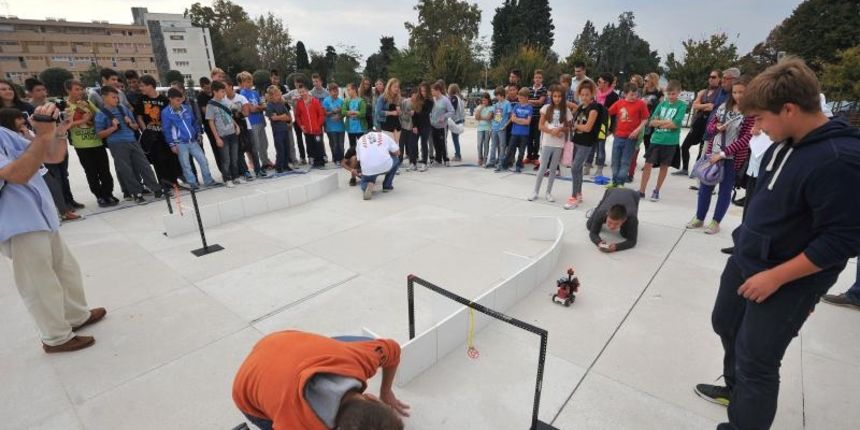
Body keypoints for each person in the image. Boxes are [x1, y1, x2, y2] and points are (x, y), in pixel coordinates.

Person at [694, 57, 860, 430]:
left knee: (758, 359)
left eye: (762, 119)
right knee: (725, 323)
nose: (759, 128)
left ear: (789, 109)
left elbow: (841, 241)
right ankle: (736, 392)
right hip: (748, 257)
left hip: (785, 277)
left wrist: (777, 279)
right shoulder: (783, 143)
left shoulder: (839, 160)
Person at [0, 102, 107, 353]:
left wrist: (58, 132)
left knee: (65, 269)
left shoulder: (7, 135)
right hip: (18, 221)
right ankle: (56, 337)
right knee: (39, 282)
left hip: (41, 216)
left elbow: (51, 157)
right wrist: (44, 134)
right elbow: (17, 174)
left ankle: (75, 316)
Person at [232, 330, 409, 430]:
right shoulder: (295, 424)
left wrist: (386, 391)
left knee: (365, 343)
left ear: (370, 397)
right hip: (246, 389)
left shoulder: (360, 358)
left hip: (280, 342)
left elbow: (392, 349)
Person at [686, 76, 753, 235]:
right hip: (712, 153)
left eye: (742, 92)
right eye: (735, 92)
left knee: (725, 190)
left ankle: (716, 222)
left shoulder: (750, 113)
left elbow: (745, 139)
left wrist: (724, 153)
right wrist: (715, 128)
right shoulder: (723, 107)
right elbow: (709, 128)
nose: (738, 95)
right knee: (705, 186)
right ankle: (699, 217)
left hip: (732, 158)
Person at [95, 86, 160, 204]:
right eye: (113, 97)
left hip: (132, 140)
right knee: (126, 169)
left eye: (117, 97)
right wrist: (113, 128)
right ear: (104, 98)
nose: (116, 99)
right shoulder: (101, 114)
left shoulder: (123, 109)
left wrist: (130, 123)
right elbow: (99, 134)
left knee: (144, 165)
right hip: (116, 143)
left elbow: (136, 126)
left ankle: (156, 188)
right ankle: (136, 193)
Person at [27, 78, 82, 211]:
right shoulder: (29, 109)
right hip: (44, 147)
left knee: (64, 174)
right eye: (38, 90)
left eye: (44, 89)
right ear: (29, 93)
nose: (43, 93)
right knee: (54, 175)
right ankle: (62, 205)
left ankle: (69, 200)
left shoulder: (52, 105)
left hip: (59, 141)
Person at [64, 79, 117, 207]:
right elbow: (65, 125)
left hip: (97, 141)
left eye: (81, 89)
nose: (80, 92)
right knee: (91, 172)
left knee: (105, 170)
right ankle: (99, 196)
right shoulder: (65, 106)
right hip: (82, 145)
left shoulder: (87, 102)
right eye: (77, 89)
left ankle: (108, 193)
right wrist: (82, 120)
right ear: (68, 90)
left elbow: (100, 114)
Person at [638, 80, 686, 202]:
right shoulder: (662, 104)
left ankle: (656, 190)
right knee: (648, 164)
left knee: (664, 167)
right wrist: (665, 123)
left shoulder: (682, 105)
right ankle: (641, 191)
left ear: (679, 93)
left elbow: (676, 124)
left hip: (670, 141)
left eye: (673, 94)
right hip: (656, 139)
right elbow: (652, 121)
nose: (671, 97)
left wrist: (661, 123)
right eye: (668, 94)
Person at [161, 88, 215, 189]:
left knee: (203, 160)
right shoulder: (166, 113)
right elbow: (166, 130)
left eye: (181, 100)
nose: (180, 102)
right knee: (186, 165)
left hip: (193, 141)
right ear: (170, 99)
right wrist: (172, 144)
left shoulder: (187, 108)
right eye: (177, 100)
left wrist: (198, 133)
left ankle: (208, 180)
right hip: (180, 143)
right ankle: (192, 183)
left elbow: (194, 122)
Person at [136, 74, 181, 191]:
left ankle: (174, 182)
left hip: (164, 135)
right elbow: (139, 116)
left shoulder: (164, 100)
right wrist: (145, 130)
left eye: (142, 86)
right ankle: (164, 184)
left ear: (150, 86)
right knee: (158, 160)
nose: (141, 88)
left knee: (170, 158)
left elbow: (170, 117)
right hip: (151, 136)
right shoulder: (141, 99)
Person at [529, 85, 571, 202]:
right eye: (555, 96)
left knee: (553, 169)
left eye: (559, 96)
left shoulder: (566, 110)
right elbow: (540, 126)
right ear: (551, 97)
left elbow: (568, 127)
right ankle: (535, 191)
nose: (557, 99)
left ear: (563, 97)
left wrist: (560, 130)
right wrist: (552, 131)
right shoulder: (546, 108)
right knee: (542, 167)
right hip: (547, 142)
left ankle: (548, 192)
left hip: (559, 144)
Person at [674, 70, 721, 176]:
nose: (711, 79)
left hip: (709, 123)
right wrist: (706, 106)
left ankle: (696, 170)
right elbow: (695, 105)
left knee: (702, 149)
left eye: (714, 77)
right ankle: (685, 169)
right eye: (710, 76)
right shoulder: (703, 91)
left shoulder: (720, 93)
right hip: (698, 122)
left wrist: (702, 105)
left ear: (719, 79)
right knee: (685, 146)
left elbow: (713, 107)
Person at [565, 80, 600, 210]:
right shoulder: (580, 107)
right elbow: (573, 118)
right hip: (577, 140)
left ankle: (573, 196)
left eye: (587, 94)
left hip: (586, 143)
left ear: (592, 94)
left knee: (574, 168)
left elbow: (588, 127)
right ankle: (578, 193)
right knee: (577, 168)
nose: (584, 97)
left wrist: (575, 126)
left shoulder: (594, 108)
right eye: (582, 94)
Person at [607, 83, 650, 188]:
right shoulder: (619, 103)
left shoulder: (640, 104)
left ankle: (621, 182)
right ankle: (614, 180)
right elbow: (608, 112)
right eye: (631, 94)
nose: (634, 97)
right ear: (625, 94)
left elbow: (645, 118)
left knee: (625, 161)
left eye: (636, 94)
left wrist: (638, 130)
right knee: (615, 160)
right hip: (618, 136)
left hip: (631, 137)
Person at [206, 80, 242, 187]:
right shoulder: (211, 105)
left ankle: (235, 177)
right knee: (226, 159)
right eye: (222, 91)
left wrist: (236, 125)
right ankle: (227, 179)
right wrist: (217, 138)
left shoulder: (225, 102)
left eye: (224, 91)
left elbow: (230, 116)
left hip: (232, 133)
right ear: (215, 91)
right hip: (223, 136)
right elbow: (211, 122)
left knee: (234, 157)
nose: (224, 94)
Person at [584, 72, 619, 178]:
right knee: (590, 146)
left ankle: (599, 170)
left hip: (604, 125)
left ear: (607, 83)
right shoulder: (595, 93)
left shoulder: (613, 96)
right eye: (597, 81)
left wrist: (611, 129)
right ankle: (587, 167)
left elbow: (614, 114)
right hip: (592, 123)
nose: (597, 83)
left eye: (600, 82)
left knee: (600, 147)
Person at [238, 71, 272, 172]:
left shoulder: (255, 92)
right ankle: (257, 164)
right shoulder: (243, 94)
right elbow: (251, 110)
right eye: (246, 82)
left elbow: (263, 105)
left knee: (264, 143)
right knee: (255, 145)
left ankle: (265, 161)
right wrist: (259, 107)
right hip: (252, 123)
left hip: (260, 120)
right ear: (242, 83)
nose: (249, 84)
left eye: (250, 81)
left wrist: (259, 107)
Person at [587, 187, 640, 252]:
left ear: (624, 220)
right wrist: (598, 242)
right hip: (612, 191)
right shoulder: (602, 213)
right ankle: (595, 210)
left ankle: (620, 224)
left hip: (632, 194)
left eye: (616, 224)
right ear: (607, 215)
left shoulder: (632, 219)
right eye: (609, 222)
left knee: (625, 234)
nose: (612, 226)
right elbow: (593, 233)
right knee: (589, 225)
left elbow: (632, 241)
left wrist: (616, 247)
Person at [223, 79, 256, 183]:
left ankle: (258, 169)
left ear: (230, 86)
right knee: (239, 151)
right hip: (233, 129)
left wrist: (237, 114)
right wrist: (236, 115)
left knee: (251, 148)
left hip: (245, 127)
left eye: (225, 87)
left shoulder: (241, 97)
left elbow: (246, 113)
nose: (223, 89)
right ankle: (245, 171)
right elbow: (226, 116)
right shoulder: (223, 101)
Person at [355, 131, 401, 200]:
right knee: (396, 160)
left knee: (365, 180)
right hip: (385, 166)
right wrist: (388, 153)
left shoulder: (360, 139)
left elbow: (358, 160)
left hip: (368, 169)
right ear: (376, 132)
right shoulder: (383, 135)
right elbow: (397, 152)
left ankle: (368, 184)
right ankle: (387, 186)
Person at [265, 85, 294, 173]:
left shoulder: (281, 104)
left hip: (285, 129)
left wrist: (279, 116)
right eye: (276, 94)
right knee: (280, 149)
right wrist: (282, 116)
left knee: (286, 148)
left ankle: (286, 165)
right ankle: (279, 166)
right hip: (277, 131)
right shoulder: (270, 105)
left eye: (279, 94)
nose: (279, 96)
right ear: (271, 96)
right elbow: (273, 118)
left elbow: (288, 117)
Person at [295, 86, 326, 168]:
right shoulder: (299, 103)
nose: (302, 94)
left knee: (319, 145)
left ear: (307, 91)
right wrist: (301, 126)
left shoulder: (315, 101)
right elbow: (297, 116)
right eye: (300, 92)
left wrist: (318, 125)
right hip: (307, 130)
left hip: (317, 130)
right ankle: (313, 161)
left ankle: (321, 161)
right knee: (310, 146)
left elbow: (321, 115)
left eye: (303, 91)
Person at [504, 88, 533, 173]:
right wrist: (521, 120)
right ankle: (505, 163)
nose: (519, 99)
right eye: (519, 98)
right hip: (515, 132)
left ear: (527, 97)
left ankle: (519, 164)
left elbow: (528, 122)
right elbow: (512, 119)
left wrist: (518, 119)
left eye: (521, 98)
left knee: (521, 151)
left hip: (524, 133)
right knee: (510, 148)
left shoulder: (529, 107)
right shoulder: (516, 106)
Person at [525, 70, 548, 166]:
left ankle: (535, 157)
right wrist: (531, 101)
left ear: (542, 79)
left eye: (539, 77)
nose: (537, 79)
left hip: (539, 117)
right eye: (536, 77)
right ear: (533, 79)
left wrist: (528, 101)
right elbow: (525, 101)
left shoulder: (544, 89)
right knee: (529, 138)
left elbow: (540, 102)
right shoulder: (529, 89)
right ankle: (529, 156)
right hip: (529, 116)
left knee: (537, 138)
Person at [429, 81, 454, 167]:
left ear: (438, 90)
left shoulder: (445, 100)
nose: (431, 93)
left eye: (432, 91)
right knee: (435, 143)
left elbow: (452, 111)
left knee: (443, 143)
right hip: (433, 125)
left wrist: (444, 116)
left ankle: (446, 159)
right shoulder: (432, 99)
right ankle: (438, 159)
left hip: (442, 126)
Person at [411, 82, 433, 170]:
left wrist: (416, 112)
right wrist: (414, 126)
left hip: (425, 125)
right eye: (421, 91)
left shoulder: (430, 101)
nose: (423, 92)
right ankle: (413, 163)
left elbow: (425, 113)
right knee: (413, 143)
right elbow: (414, 115)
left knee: (424, 144)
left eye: (424, 91)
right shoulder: (417, 99)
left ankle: (424, 163)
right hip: (417, 125)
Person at [489, 86, 512, 171]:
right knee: (493, 145)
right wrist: (492, 127)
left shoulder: (507, 103)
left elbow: (511, 116)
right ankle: (492, 161)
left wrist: (505, 125)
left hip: (502, 128)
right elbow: (495, 117)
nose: (496, 97)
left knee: (502, 146)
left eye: (497, 95)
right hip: (495, 127)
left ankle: (501, 163)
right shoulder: (496, 104)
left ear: (501, 95)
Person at [323, 82, 346, 166]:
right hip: (330, 127)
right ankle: (335, 159)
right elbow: (324, 113)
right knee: (334, 145)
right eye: (333, 91)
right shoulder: (326, 100)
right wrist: (333, 111)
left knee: (341, 144)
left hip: (340, 127)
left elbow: (344, 113)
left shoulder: (341, 101)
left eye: (336, 91)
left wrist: (340, 116)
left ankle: (342, 159)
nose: (335, 93)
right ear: (329, 92)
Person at [286, 78, 308, 165]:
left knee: (308, 139)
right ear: (294, 84)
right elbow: (283, 97)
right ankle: (302, 157)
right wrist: (290, 101)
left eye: (299, 83)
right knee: (299, 139)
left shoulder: (306, 91)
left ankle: (310, 156)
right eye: (296, 83)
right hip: (297, 119)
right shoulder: (292, 92)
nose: (297, 85)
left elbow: (310, 97)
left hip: (305, 119)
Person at [342, 83, 368, 150]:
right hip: (350, 129)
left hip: (360, 129)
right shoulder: (347, 101)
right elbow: (343, 111)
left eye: (349, 90)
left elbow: (363, 113)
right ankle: (353, 159)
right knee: (352, 147)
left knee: (363, 146)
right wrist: (354, 112)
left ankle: (362, 160)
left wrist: (353, 112)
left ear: (354, 90)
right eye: (347, 90)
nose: (348, 92)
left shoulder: (361, 101)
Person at [379, 79, 402, 143]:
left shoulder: (397, 97)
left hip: (397, 126)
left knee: (396, 147)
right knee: (389, 149)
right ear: (389, 87)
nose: (397, 88)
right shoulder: (383, 97)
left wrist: (399, 112)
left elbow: (399, 113)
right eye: (395, 86)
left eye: (398, 87)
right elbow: (378, 112)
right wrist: (391, 113)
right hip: (387, 126)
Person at [399, 90, 418, 170]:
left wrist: (415, 114)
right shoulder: (405, 102)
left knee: (412, 144)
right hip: (403, 126)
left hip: (413, 127)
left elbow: (419, 115)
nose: (414, 97)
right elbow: (401, 112)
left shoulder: (418, 103)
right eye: (414, 95)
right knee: (401, 143)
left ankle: (413, 162)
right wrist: (406, 116)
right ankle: (399, 160)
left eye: (416, 95)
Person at [447, 83, 466, 161]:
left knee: (455, 139)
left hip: (456, 120)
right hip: (460, 119)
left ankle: (458, 155)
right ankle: (457, 154)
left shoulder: (454, 98)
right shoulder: (459, 98)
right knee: (456, 138)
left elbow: (452, 110)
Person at [474, 93, 493, 166]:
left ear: (488, 100)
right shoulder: (479, 107)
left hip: (488, 128)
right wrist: (480, 109)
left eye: (485, 100)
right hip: (480, 128)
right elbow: (476, 117)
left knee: (486, 144)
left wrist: (480, 117)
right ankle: (480, 158)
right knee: (479, 144)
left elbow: (489, 118)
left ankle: (485, 159)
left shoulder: (491, 108)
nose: (484, 102)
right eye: (482, 100)